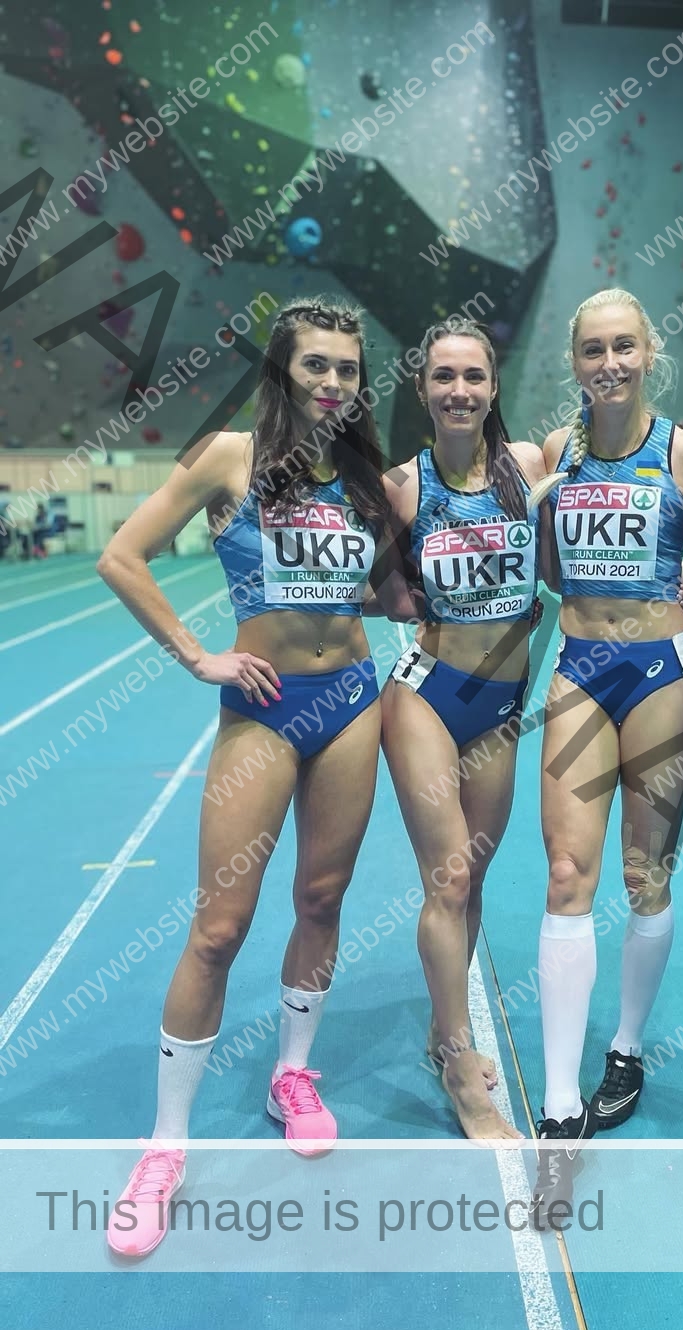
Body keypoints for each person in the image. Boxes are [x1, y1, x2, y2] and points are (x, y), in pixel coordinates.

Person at [98, 298, 414, 1257]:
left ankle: (293, 1076)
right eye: (314, 365)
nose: (332, 383)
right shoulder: (229, 457)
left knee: (321, 896)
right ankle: (164, 1147)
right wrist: (201, 657)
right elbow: (124, 556)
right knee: (219, 926)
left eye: (348, 370)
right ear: (280, 370)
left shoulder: (367, 479)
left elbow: (400, 592)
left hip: (353, 701)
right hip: (262, 710)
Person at [523, 289, 683, 1224]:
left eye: (623, 347)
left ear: (649, 352)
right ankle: (560, 1113)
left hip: (665, 669)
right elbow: (551, 570)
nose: (609, 363)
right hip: (582, 668)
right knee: (566, 871)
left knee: (646, 873)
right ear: (576, 359)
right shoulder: (558, 454)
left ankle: (625, 1049)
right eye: (593, 348)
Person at [380, 319, 555, 1141]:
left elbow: (586, 562)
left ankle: (435, 1031)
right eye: (443, 376)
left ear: (493, 387)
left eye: (474, 376)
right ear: (423, 390)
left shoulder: (530, 471)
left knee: (473, 884)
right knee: (447, 882)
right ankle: (458, 1064)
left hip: (504, 706)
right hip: (428, 696)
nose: (459, 390)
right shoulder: (401, 487)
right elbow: (358, 585)